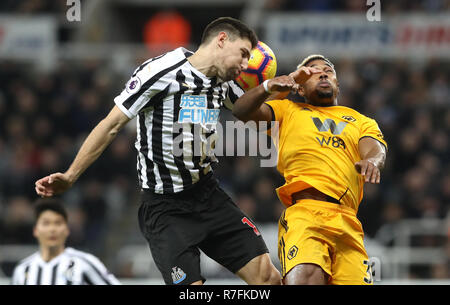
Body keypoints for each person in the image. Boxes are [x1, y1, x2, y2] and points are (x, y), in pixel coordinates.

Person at [35, 17, 281, 285]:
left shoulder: (224, 83)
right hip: (165, 208)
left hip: (208, 195)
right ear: (221, 40)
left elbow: (257, 116)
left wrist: (282, 91)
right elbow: (111, 125)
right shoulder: (161, 71)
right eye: (243, 55)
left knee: (268, 278)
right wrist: (71, 175)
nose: (246, 65)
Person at [232, 54, 387, 285]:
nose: (323, 73)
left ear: (337, 85)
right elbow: (241, 111)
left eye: (328, 71)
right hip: (305, 215)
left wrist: (372, 161)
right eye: (313, 71)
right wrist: (269, 86)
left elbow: (376, 149)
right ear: (301, 89)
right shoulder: (287, 111)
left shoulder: (360, 120)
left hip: (348, 222)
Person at [11, 199, 120, 285]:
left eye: (58, 223)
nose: (52, 229)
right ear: (35, 230)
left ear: (67, 229)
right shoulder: (23, 269)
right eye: (46, 223)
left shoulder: (84, 263)